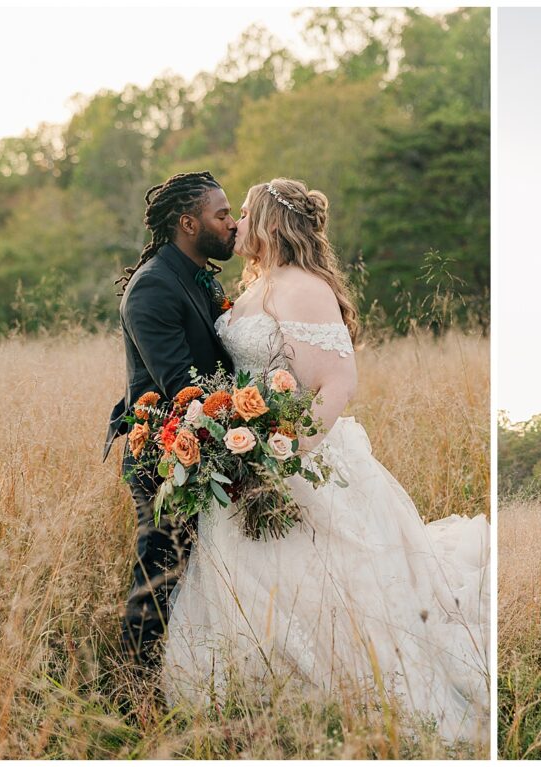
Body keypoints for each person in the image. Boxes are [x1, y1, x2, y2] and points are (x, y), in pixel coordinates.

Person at [161, 178, 490, 742]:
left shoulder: (304, 288)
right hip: (248, 461)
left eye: (244, 212)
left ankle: (339, 706)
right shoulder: (255, 286)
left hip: (298, 462)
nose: (236, 222)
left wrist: (284, 457)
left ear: (268, 222)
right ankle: (250, 705)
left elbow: (337, 383)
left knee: (326, 588)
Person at [105, 171, 236, 670]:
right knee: (160, 573)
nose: (232, 224)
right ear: (188, 222)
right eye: (221, 215)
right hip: (163, 458)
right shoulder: (153, 287)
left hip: (203, 445)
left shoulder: (200, 275)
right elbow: (180, 384)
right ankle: (132, 688)